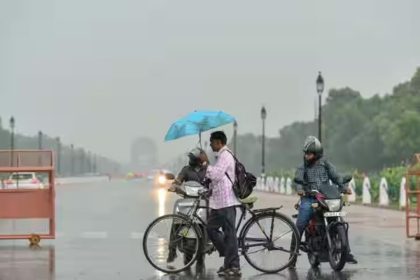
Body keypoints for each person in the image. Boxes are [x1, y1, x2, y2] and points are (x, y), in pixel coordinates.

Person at [290, 136, 357, 268]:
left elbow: (336, 177)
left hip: (326, 197)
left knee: (339, 220)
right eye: (306, 153)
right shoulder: (302, 166)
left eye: (309, 153)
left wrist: (343, 187)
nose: (306, 156)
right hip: (309, 198)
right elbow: (298, 178)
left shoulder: (325, 163)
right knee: (300, 225)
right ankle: (292, 256)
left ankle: (346, 252)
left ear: (316, 154)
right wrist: (300, 189)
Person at [201, 131, 242, 277]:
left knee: (228, 234)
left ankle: (234, 265)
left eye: (212, 142)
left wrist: (205, 163)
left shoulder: (225, 155)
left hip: (226, 202)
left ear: (219, 142)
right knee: (214, 230)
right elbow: (217, 178)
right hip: (219, 202)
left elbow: (216, 175)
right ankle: (228, 259)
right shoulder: (221, 156)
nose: (211, 144)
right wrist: (209, 190)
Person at [166, 148, 208, 265]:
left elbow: (213, 182)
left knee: (209, 224)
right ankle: (172, 250)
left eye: (193, 158)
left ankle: (207, 244)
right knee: (176, 221)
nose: (191, 160)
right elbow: (178, 180)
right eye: (190, 158)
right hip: (188, 201)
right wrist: (174, 185)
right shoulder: (186, 170)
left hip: (203, 202)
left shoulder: (208, 170)